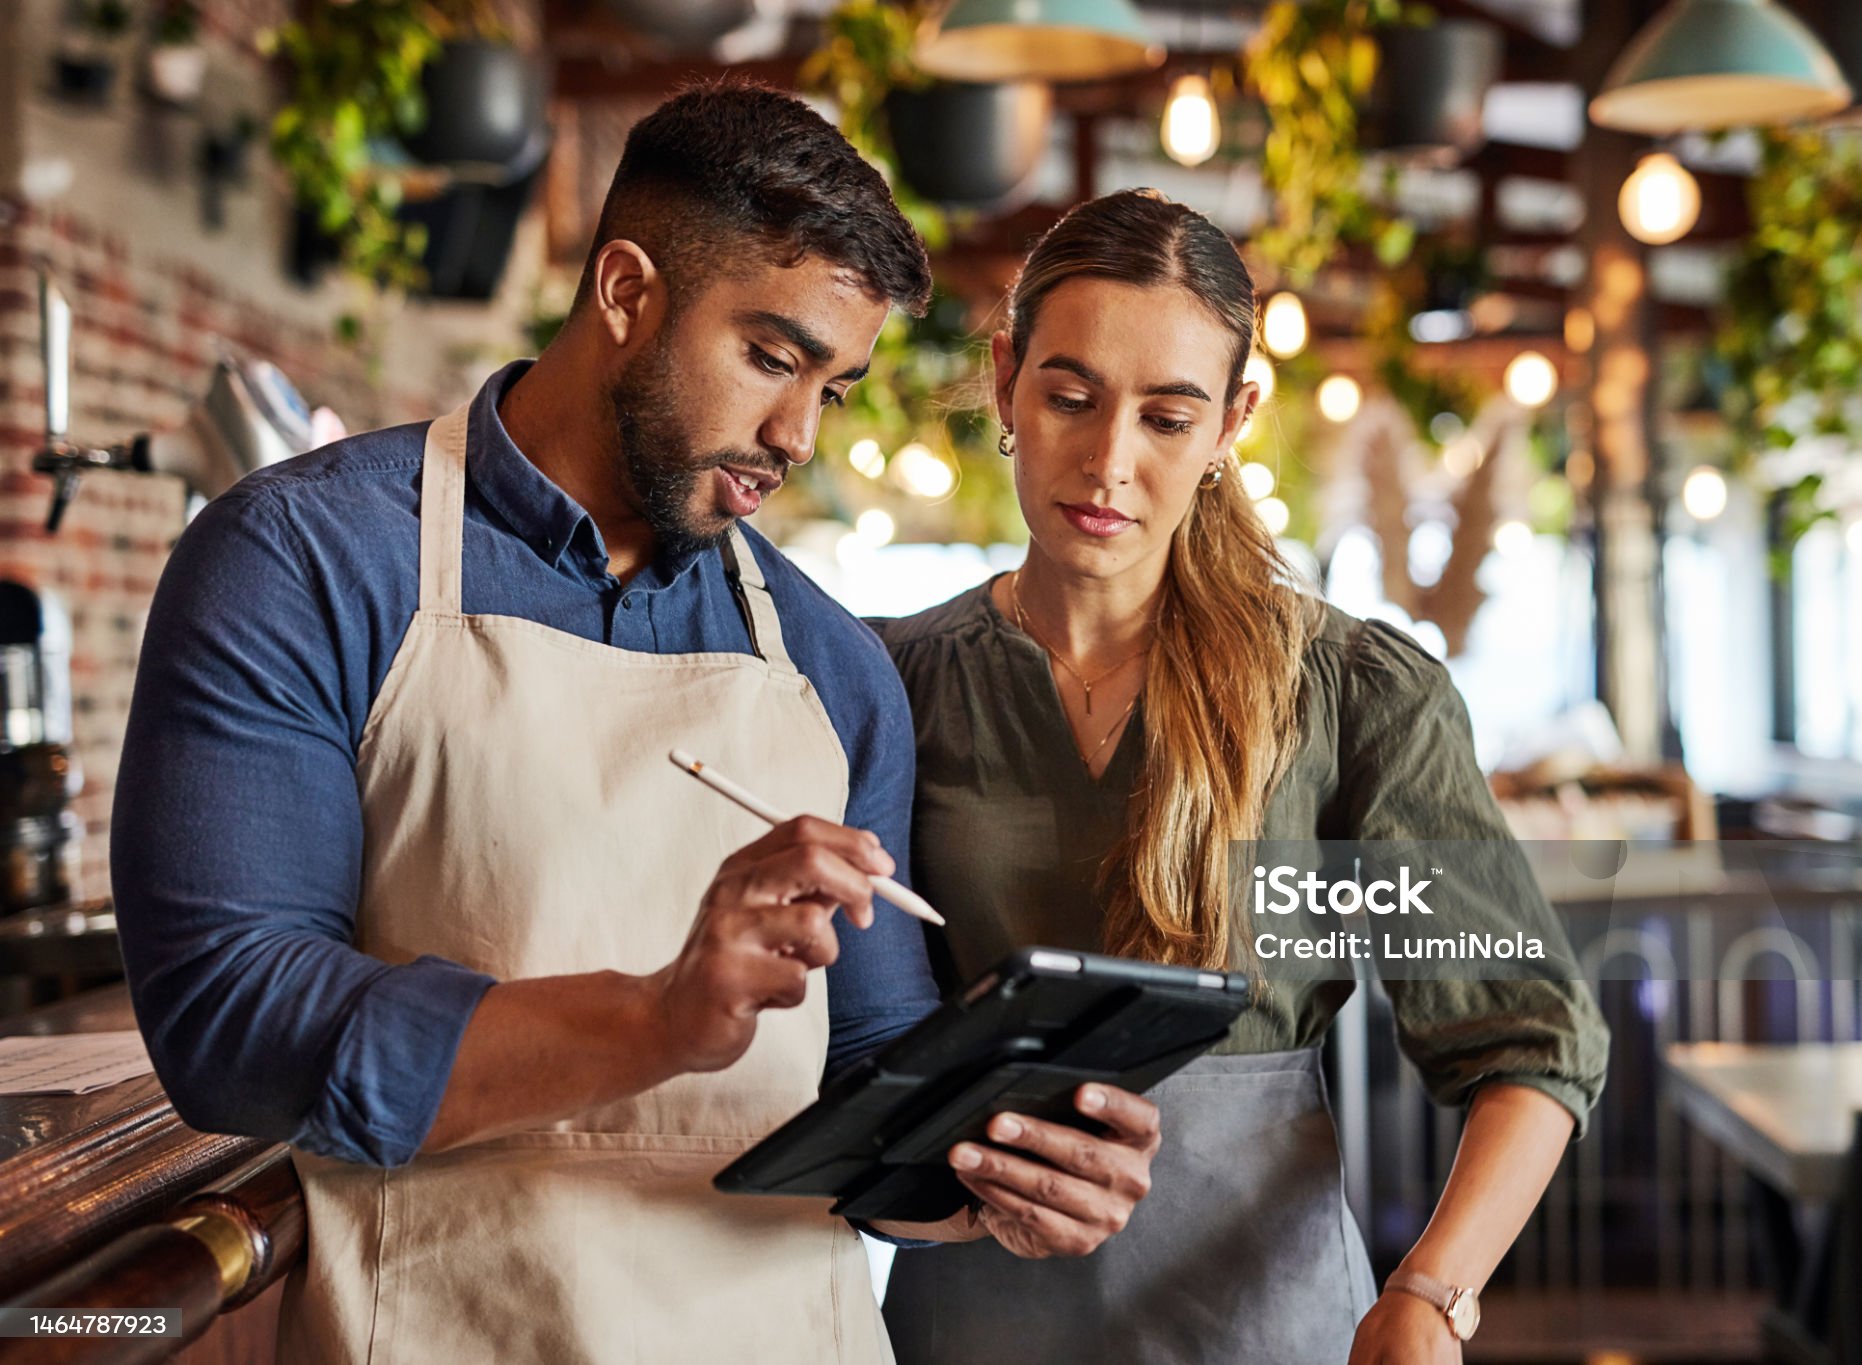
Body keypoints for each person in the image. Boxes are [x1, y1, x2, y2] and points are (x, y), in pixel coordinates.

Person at [111, 85, 1161, 1365]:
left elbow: (864, 1067)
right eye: (772, 357)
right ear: (624, 292)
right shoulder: (304, 560)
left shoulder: (833, 663)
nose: (794, 437)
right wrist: (654, 1017)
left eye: (831, 388)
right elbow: (231, 1023)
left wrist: (995, 1172)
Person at [871, 189, 1611, 1365]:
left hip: (1261, 1323)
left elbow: (1525, 1042)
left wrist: (1431, 1293)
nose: (1107, 461)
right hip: (968, 1310)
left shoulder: (1352, 695)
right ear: (1007, 376)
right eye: (1070, 396)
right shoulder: (888, 683)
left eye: (1166, 418)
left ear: (1232, 422)